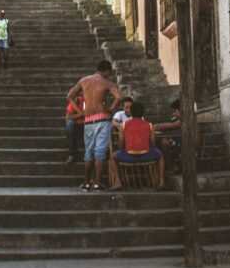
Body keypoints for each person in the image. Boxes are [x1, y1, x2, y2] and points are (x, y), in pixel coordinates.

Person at [66, 60, 123, 192]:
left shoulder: (84, 81)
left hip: (88, 119)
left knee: (89, 152)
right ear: (106, 71)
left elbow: (69, 96)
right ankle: (97, 183)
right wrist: (110, 108)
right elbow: (119, 97)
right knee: (100, 152)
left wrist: (80, 112)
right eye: (109, 72)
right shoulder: (107, 83)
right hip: (103, 118)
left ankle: (86, 183)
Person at [109, 101, 165, 190]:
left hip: (128, 156)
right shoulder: (149, 125)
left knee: (113, 156)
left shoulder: (123, 125)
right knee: (160, 155)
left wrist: (125, 147)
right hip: (147, 155)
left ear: (131, 112)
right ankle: (161, 182)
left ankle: (118, 181)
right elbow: (153, 144)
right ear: (143, 113)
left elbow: (120, 144)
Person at [156, 99, 201, 173]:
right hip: (186, 145)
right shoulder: (185, 119)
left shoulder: (186, 120)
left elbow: (170, 125)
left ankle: (172, 167)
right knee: (167, 141)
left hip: (190, 149)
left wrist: (154, 126)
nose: (173, 114)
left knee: (164, 142)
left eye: (174, 111)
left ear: (181, 110)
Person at [65, 92, 85, 163]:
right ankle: (72, 154)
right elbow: (68, 117)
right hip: (77, 124)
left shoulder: (93, 101)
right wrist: (81, 115)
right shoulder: (77, 101)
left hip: (90, 124)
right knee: (69, 124)